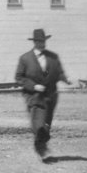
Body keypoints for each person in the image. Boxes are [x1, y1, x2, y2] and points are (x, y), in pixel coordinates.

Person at [14, 28, 70, 162]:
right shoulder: (25, 58)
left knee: (46, 124)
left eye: (43, 41)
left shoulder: (53, 57)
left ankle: (41, 145)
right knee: (38, 123)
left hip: (51, 95)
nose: (42, 43)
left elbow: (59, 72)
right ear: (34, 42)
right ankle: (41, 149)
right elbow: (19, 77)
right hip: (33, 96)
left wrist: (64, 79)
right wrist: (33, 86)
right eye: (39, 41)